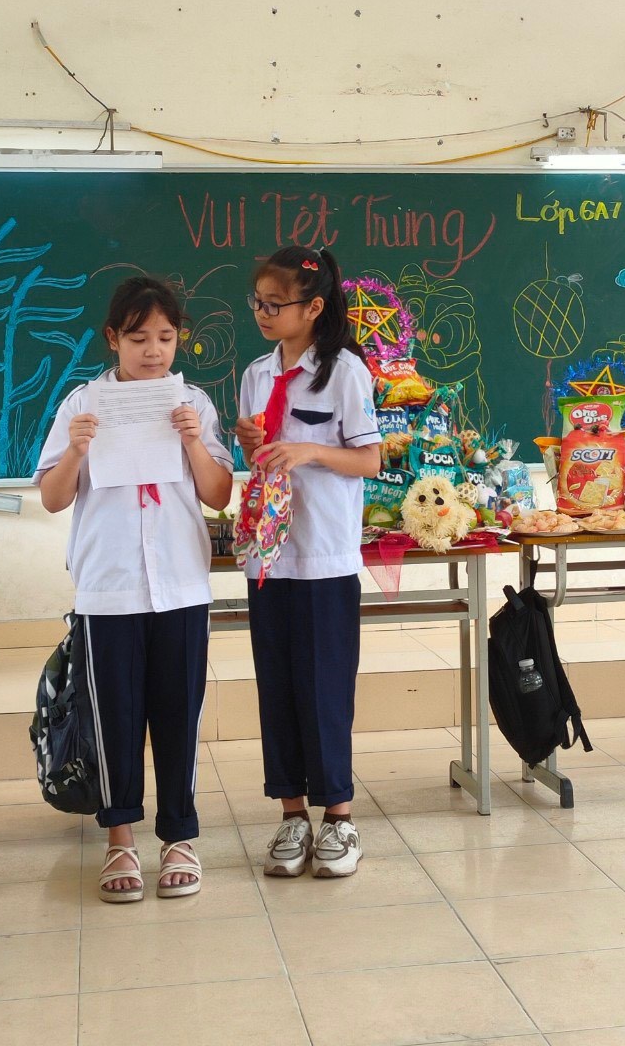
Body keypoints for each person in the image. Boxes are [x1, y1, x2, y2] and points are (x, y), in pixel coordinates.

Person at [35, 276, 233, 903]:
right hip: (109, 586)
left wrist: (193, 442)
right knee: (113, 717)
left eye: (166, 338)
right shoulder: (82, 404)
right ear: (113, 338)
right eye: (139, 337)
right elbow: (52, 498)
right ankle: (120, 839)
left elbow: (218, 494)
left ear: (180, 340)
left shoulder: (193, 403)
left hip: (180, 584)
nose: (153, 351)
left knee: (179, 714)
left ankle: (179, 838)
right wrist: (76, 451)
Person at [236, 246, 381, 878]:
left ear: (314, 306)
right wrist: (252, 443)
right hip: (270, 556)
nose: (264, 313)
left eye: (276, 304)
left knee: (325, 688)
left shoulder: (344, 371)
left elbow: (370, 459)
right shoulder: (255, 374)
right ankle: (291, 814)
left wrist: (308, 450)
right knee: (277, 688)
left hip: (323, 554)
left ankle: (339, 819)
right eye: (258, 303)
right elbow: (259, 456)